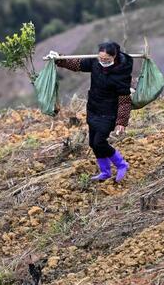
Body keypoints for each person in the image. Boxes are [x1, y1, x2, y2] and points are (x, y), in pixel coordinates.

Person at [49, 42, 133, 182]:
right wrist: (59, 59)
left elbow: (124, 101)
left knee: (100, 142)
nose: (102, 62)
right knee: (93, 144)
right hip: (94, 108)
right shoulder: (95, 63)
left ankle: (121, 164)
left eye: (106, 59)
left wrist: (121, 122)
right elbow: (77, 64)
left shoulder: (122, 73)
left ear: (114, 56)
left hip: (108, 113)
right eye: (101, 58)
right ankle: (105, 171)